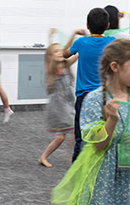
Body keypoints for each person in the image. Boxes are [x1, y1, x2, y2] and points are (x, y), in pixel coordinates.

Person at [52, 39, 130, 204]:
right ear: (115, 67)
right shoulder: (94, 100)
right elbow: (99, 144)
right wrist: (112, 120)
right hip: (102, 176)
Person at [63, 7, 115, 162]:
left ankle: (77, 166)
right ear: (107, 26)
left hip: (84, 96)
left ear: (87, 25)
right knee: (104, 130)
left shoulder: (81, 43)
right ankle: (101, 163)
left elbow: (65, 54)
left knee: (81, 134)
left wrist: (75, 38)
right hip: (104, 96)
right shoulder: (111, 42)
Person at [38, 29, 82, 168]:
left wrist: (80, 38)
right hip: (59, 107)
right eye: (56, 52)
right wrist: (51, 38)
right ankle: (44, 157)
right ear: (51, 56)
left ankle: (72, 156)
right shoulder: (51, 69)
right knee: (61, 136)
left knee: (75, 132)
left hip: (68, 103)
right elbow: (49, 55)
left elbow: (76, 53)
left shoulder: (65, 65)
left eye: (60, 51)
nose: (60, 53)